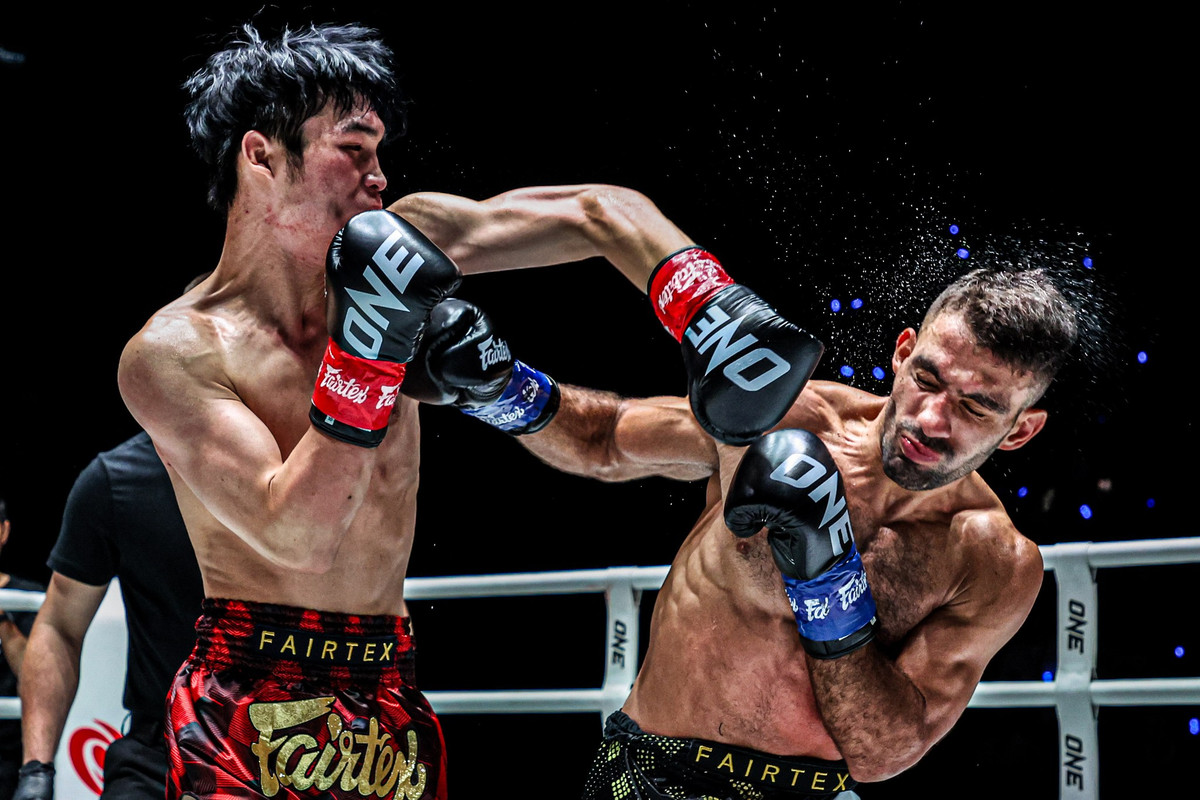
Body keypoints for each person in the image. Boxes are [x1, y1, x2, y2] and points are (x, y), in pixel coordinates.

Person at [114, 18, 812, 800]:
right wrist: (371, 344)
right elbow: (299, 535)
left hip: (387, 682)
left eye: (381, 152)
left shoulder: (408, 236)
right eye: (354, 149)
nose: (379, 176)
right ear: (261, 155)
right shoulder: (175, 353)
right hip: (250, 701)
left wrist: (705, 302)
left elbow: (595, 211)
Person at [407, 256, 1078, 797]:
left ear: (1021, 429)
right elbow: (608, 437)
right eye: (928, 378)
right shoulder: (785, 413)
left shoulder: (993, 560)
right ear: (902, 353)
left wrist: (828, 583)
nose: (931, 420)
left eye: (975, 408)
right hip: (648, 771)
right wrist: (497, 387)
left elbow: (884, 754)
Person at [12, 426, 205, 800]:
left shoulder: (304, 473)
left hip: (289, 749)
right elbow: (58, 626)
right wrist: (36, 770)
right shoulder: (121, 479)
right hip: (159, 751)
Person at [0, 499, 46, 800]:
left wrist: (3, 621)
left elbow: (37, 679)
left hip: (12, 752)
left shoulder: (32, 599)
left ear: (4, 531)